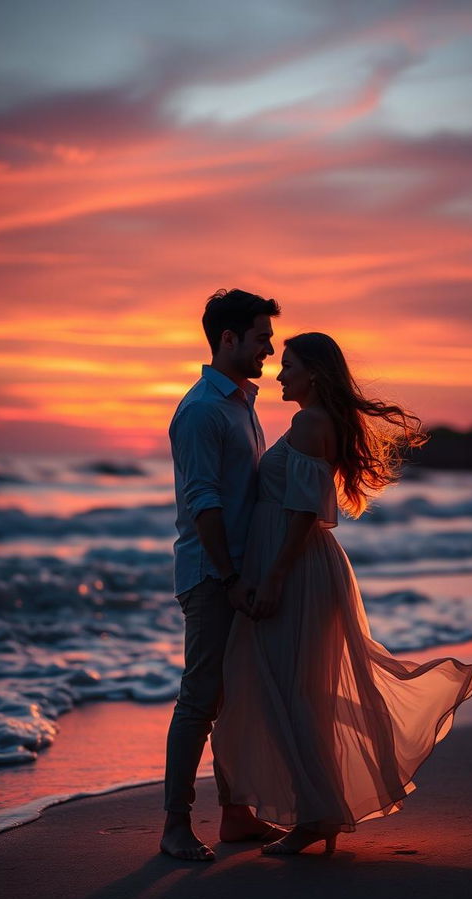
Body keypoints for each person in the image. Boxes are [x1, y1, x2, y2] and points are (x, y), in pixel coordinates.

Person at [211, 332, 472, 855]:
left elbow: (306, 510)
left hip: (295, 570)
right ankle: (318, 811)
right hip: (298, 566)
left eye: (289, 365)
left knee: (291, 691)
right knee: (292, 690)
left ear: (314, 373)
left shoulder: (309, 423)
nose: (280, 373)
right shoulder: (314, 422)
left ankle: (317, 816)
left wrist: (274, 577)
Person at [160, 288, 282, 861]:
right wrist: (232, 577)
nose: (271, 347)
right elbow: (204, 503)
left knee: (233, 700)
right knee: (201, 699)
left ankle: (235, 815)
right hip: (212, 575)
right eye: (262, 336)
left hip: (234, 572)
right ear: (227, 339)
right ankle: (175, 826)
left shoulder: (241, 402)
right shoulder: (203, 410)